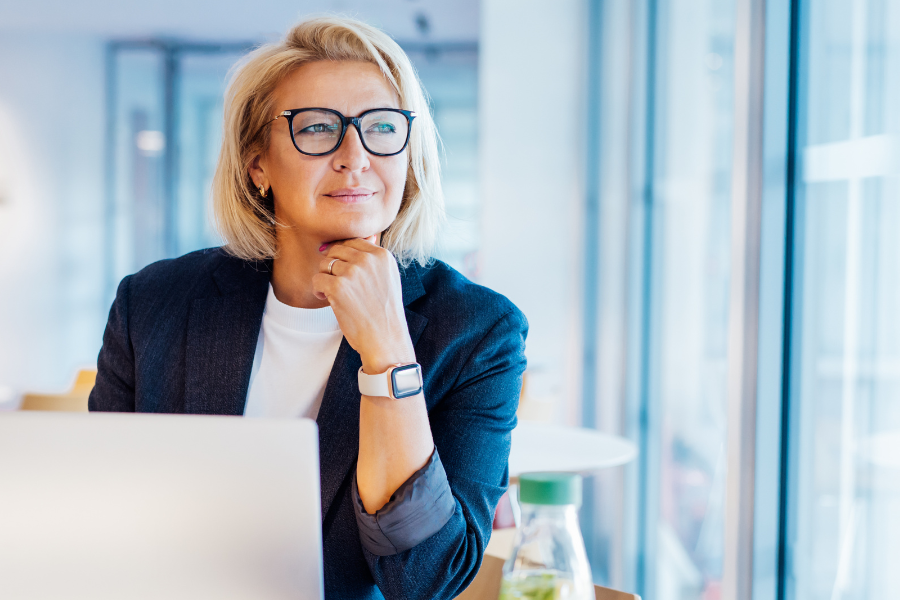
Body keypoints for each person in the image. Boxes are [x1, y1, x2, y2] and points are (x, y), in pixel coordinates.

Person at [89, 15, 527, 600]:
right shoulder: (153, 303)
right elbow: (100, 512)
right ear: (258, 165)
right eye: (318, 128)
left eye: (381, 128)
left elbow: (428, 578)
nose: (355, 155)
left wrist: (387, 352)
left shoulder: (477, 331)